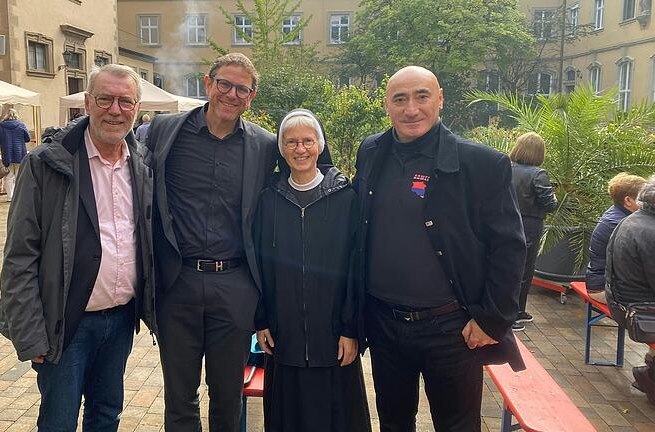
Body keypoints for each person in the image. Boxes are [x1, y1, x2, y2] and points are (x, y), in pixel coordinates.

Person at [353, 66, 526, 431]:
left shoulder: (480, 163)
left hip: (453, 329)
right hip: (385, 323)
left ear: (440, 99)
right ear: (387, 105)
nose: (410, 109)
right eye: (400, 99)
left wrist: (491, 320)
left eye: (421, 96)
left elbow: (510, 248)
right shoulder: (371, 151)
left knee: (457, 425)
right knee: (394, 422)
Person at [0, 64, 155, 431]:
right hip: (65, 323)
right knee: (59, 421)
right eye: (105, 99)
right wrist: (30, 333)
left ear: (137, 106)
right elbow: (19, 256)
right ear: (87, 102)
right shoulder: (46, 163)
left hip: (120, 320)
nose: (115, 109)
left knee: (106, 414)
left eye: (125, 101)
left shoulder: (142, 163)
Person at [143, 53, 277, 432]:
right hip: (177, 281)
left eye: (242, 89)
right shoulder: (163, 131)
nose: (231, 94)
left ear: (252, 96)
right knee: (179, 397)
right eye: (225, 84)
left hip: (234, 285)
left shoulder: (265, 146)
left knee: (229, 394)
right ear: (208, 82)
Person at [254, 109, 371, 432]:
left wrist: (351, 329)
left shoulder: (346, 199)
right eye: (291, 142)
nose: (300, 149)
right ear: (281, 148)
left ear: (320, 145)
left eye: (307, 140)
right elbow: (261, 265)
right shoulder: (268, 201)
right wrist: (261, 319)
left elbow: (355, 270)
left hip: (333, 336)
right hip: (284, 334)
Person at [605, 175, 655, 404]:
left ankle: (648, 373)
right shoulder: (648, 229)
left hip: (624, 300)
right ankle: (649, 376)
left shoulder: (636, 219)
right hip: (637, 309)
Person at [509, 132, 558, 331]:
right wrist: (555, 199)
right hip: (529, 225)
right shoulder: (538, 174)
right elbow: (549, 203)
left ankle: (512, 312)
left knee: (508, 268)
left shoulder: (505, 168)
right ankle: (515, 314)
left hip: (507, 221)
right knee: (524, 270)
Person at [586, 172, 646, 303]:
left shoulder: (618, 213)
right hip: (603, 288)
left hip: (606, 282)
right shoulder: (620, 223)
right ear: (628, 200)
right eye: (643, 199)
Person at [0, 108, 31, 201]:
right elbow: (27, 138)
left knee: (9, 176)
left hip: (8, 154)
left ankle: (9, 197)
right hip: (20, 153)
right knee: (19, 175)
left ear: (6, 115)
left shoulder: (1, 126)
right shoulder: (21, 125)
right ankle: (19, 196)